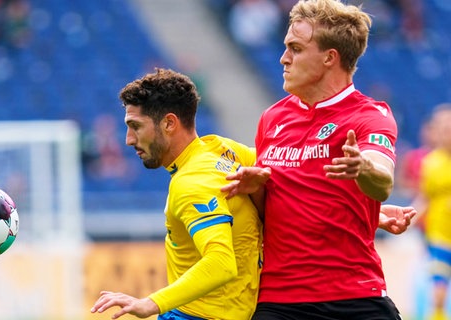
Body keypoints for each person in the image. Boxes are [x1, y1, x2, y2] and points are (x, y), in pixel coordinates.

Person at [90, 68, 415, 320]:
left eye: (135, 126)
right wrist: (371, 215)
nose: (129, 140)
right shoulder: (224, 150)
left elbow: (220, 263)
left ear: (169, 123)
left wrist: (151, 302)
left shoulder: (191, 183)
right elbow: (290, 187)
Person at [222, 0, 403, 319]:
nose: (283, 58)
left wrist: (363, 168)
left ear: (329, 58)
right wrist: (257, 190)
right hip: (279, 301)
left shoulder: (370, 116)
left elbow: (383, 181)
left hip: (354, 296)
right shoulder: (272, 118)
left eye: (295, 48)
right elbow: (278, 211)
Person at [415, 104, 451, 320]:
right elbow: (424, 198)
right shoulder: (430, 163)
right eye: (443, 129)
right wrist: (410, 219)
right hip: (439, 237)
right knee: (438, 291)